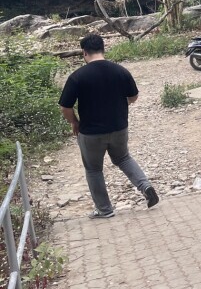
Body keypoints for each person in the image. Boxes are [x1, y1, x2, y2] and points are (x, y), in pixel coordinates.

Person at [59, 33, 159, 218]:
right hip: (119, 128)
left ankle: (104, 210)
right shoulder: (120, 71)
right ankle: (145, 186)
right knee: (123, 158)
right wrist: (119, 104)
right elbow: (133, 97)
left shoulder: (77, 76)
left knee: (93, 169)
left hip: (91, 133)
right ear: (103, 49)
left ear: (84, 52)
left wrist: (75, 122)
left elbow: (65, 107)